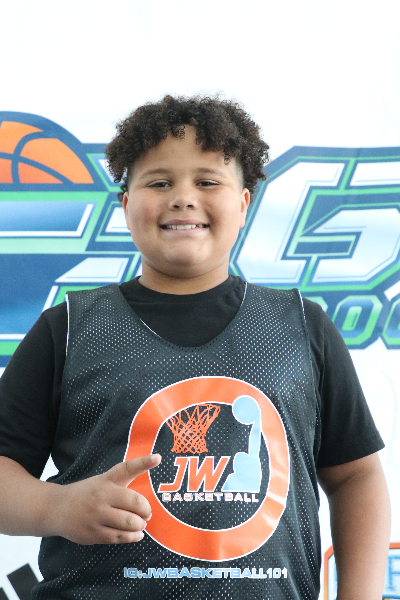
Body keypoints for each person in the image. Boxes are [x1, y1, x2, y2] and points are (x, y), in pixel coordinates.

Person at [0, 95, 390, 600]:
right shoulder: (70, 328)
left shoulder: (301, 325)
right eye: (159, 183)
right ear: (125, 206)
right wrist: (56, 508)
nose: (183, 197)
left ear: (243, 204)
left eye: (207, 181)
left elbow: (357, 475)